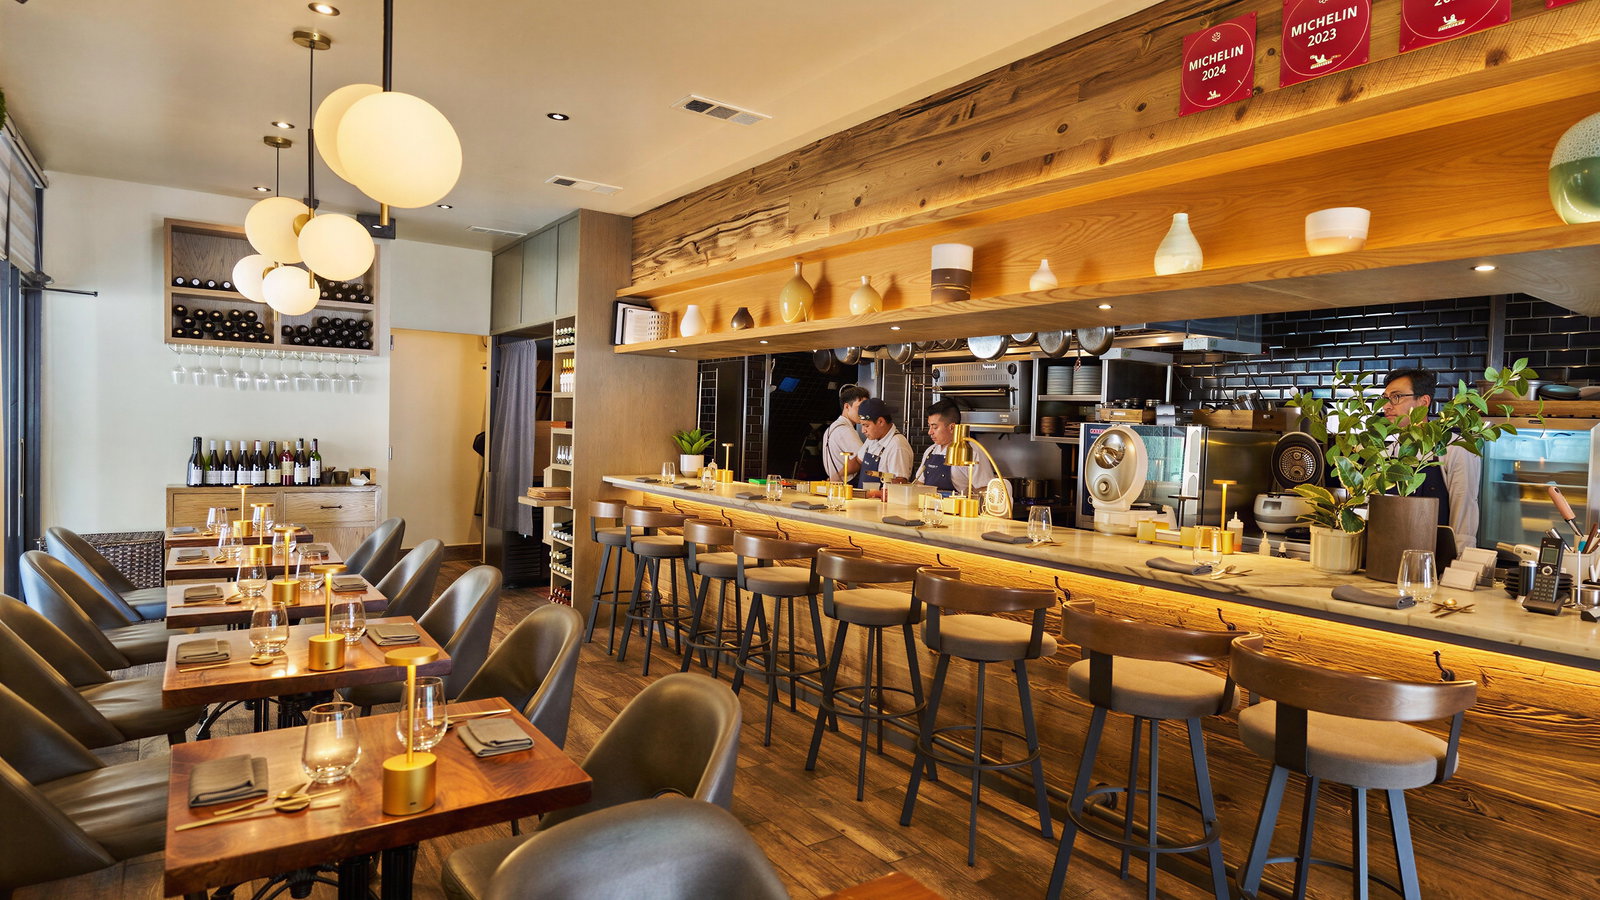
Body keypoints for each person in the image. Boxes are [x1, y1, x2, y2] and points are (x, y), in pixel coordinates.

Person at [1381, 367, 1480, 554]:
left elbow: (1464, 510)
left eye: (1396, 397)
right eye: (1386, 398)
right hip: (1390, 555)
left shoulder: (1454, 447)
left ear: (1424, 401)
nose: (1386, 406)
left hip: (1436, 561)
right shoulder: (1388, 451)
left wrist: (1458, 567)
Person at [915, 400, 996, 495]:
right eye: (929, 426)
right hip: (929, 508)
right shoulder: (931, 451)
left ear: (952, 427)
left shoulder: (971, 452)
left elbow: (984, 491)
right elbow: (919, 484)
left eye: (935, 427)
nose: (930, 432)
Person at [855, 398, 914, 492]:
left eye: (866, 425)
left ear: (881, 422)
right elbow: (858, 460)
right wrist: (837, 476)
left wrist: (872, 494)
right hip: (866, 502)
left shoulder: (897, 445)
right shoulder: (872, 439)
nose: (863, 431)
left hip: (881, 505)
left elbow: (899, 485)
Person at [823, 384, 869, 484]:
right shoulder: (845, 430)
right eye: (859, 408)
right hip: (846, 483)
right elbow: (862, 460)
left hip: (836, 482)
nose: (863, 412)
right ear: (847, 406)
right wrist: (838, 475)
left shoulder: (832, 427)